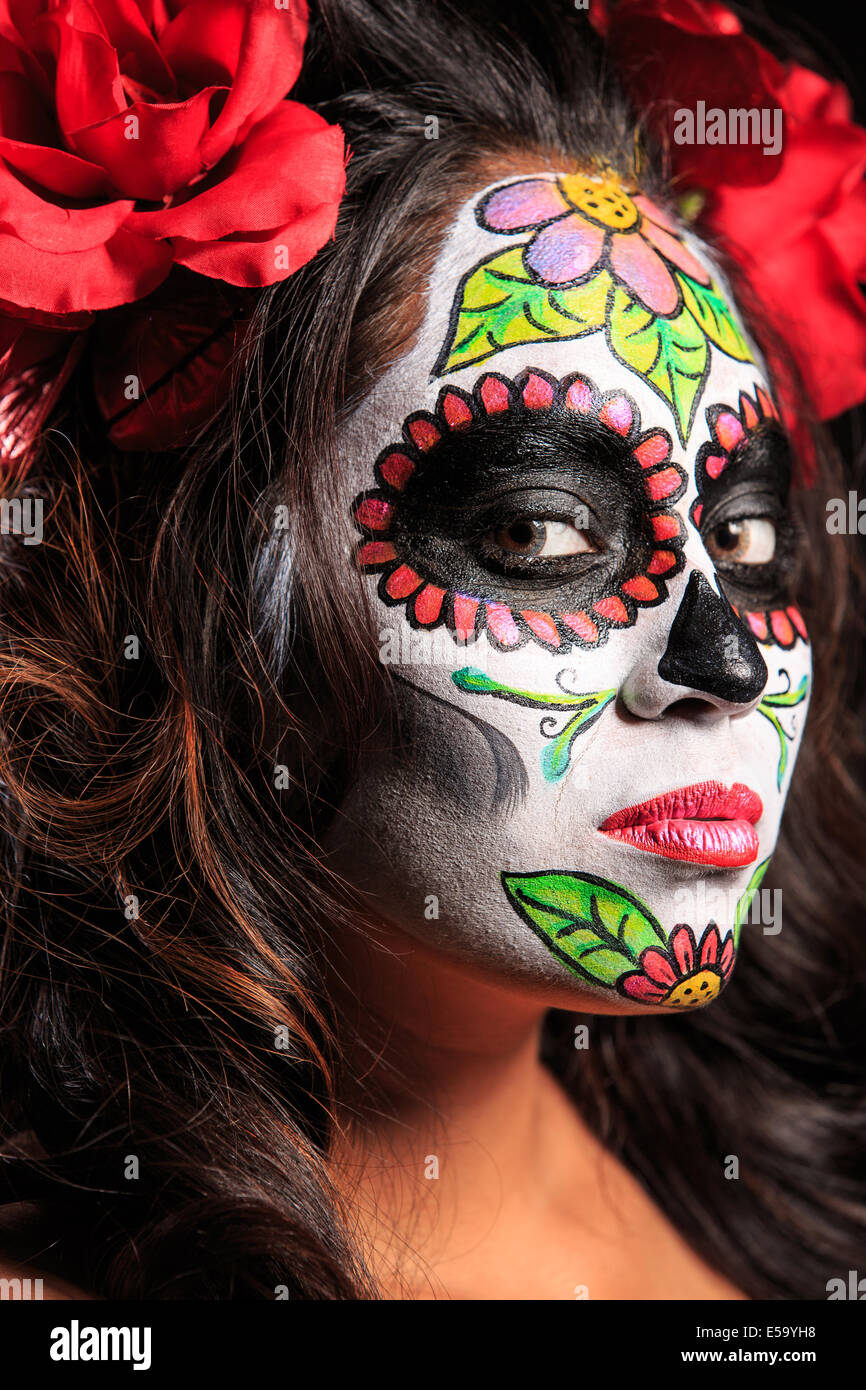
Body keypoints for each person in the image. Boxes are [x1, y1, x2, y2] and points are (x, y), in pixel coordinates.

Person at [0, 0, 864, 1300]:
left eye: (742, 541)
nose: (726, 661)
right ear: (223, 598)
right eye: (533, 525)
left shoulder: (795, 1195)